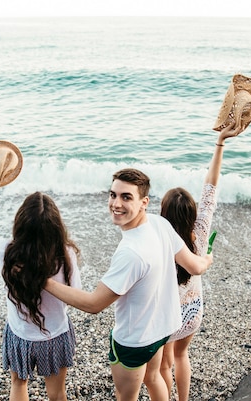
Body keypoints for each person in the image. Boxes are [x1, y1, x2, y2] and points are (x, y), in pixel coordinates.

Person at [45, 168, 213, 401]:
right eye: (113, 194)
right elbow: (194, 267)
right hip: (163, 328)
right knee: (153, 378)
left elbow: (94, 304)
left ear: (144, 202)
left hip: (135, 340)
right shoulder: (160, 224)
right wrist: (206, 260)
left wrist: (44, 283)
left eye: (126, 197)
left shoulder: (131, 253)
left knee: (125, 395)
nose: (116, 203)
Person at [0, 175, 81, 401]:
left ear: (20, 225)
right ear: (56, 228)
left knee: (18, 383)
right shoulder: (65, 255)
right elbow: (75, 293)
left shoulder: (7, 252)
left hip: (21, 334)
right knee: (57, 393)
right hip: (55, 334)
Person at [158, 124, 239, 401]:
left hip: (169, 314)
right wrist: (220, 143)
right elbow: (211, 188)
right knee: (183, 356)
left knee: (165, 363)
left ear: (163, 214)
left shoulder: (162, 240)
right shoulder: (201, 230)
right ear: (192, 212)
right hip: (193, 310)